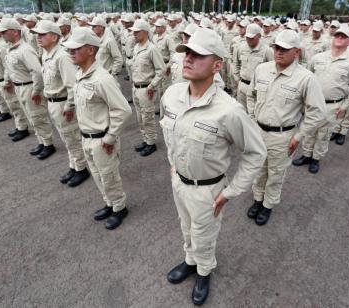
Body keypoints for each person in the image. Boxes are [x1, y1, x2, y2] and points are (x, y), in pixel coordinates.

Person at [161, 28, 267, 306]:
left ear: (217, 65)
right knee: (186, 228)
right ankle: (190, 261)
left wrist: (230, 192)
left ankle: (204, 271)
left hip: (208, 190)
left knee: (204, 235)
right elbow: (170, 134)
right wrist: (173, 164)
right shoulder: (172, 95)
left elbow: (256, 153)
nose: (188, 58)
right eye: (187, 53)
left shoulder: (228, 110)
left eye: (198, 55)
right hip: (179, 182)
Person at [247, 30, 327, 225]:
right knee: (258, 170)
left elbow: (317, 112)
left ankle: (268, 204)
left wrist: (298, 137)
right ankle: (258, 199)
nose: (279, 52)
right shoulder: (262, 69)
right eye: (276, 47)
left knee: (275, 173)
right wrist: (250, 120)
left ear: (296, 52)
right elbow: (251, 95)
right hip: (258, 131)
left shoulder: (305, 78)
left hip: (282, 136)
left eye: (284, 49)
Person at [64, 27, 132, 230]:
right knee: (97, 175)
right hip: (86, 136)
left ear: (90, 50)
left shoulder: (102, 78)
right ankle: (109, 203)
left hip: (102, 140)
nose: (71, 53)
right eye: (70, 49)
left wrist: (110, 137)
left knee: (109, 177)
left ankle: (119, 208)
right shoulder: (80, 74)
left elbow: (123, 110)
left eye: (76, 49)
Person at [292, 26, 349, 173]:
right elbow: (307, 77)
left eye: (343, 36)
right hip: (312, 103)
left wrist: (345, 106)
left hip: (333, 106)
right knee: (309, 131)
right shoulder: (318, 58)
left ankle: (316, 159)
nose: (339, 38)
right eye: (337, 35)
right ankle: (306, 155)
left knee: (323, 134)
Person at [32, 20, 90, 187]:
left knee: (72, 137)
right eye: (38, 34)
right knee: (66, 137)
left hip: (63, 103)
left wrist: (69, 106)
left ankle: (81, 168)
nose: (38, 37)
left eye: (42, 34)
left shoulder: (62, 56)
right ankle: (73, 165)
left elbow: (72, 85)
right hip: (53, 102)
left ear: (54, 37)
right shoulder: (47, 54)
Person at [0, 18, 56, 157]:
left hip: (29, 87)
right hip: (20, 87)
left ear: (15, 32)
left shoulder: (25, 49)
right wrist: (9, 82)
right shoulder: (11, 49)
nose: (2, 34)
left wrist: (36, 90)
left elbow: (36, 72)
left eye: (5, 32)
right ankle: (42, 142)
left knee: (38, 116)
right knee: (31, 117)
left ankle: (48, 144)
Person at [128, 19, 165, 157]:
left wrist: (152, 86)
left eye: (137, 32)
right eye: (134, 32)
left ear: (145, 32)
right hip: (136, 87)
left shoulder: (152, 49)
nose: (134, 34)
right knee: (139, 116)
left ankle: (151, 143)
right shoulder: (137, 47)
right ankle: (145, 139)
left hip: (146, 89)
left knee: (147, 117)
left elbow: (160, 70)